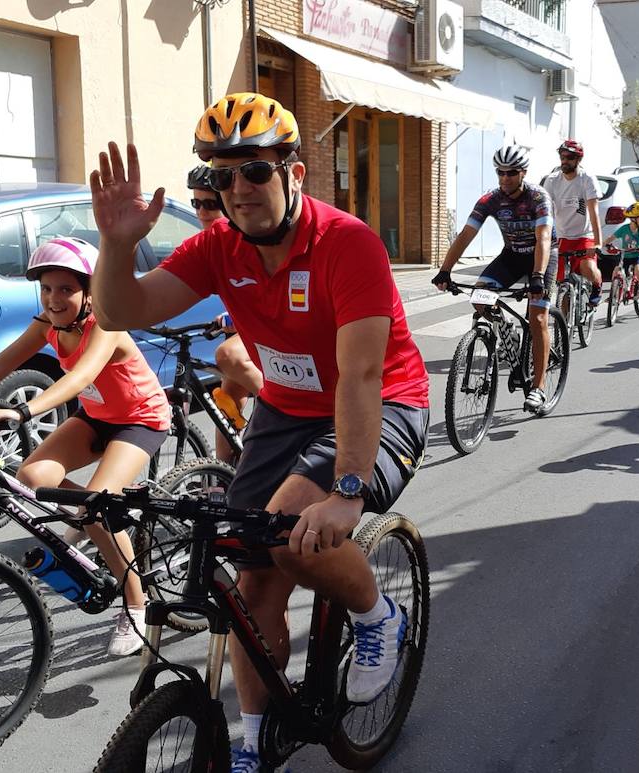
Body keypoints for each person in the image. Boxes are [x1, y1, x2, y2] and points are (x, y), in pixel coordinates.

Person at [87, 92, 431, 773]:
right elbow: (124, 308)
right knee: (252, 581)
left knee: (294, 528)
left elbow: (361, 376)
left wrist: (350, 490)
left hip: (381, 403)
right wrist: (116, 246)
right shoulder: (218, 247)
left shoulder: (348, 244)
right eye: (221, 174)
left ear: (293, 171)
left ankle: (376, 615)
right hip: (286, 408)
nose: (237, 188)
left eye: (254, 171)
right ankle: (253, 741)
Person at [0, 237, 162, 656]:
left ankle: (135, 603)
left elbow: (78, 379)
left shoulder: (107, 324)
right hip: (98, 416)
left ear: (90, 291)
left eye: (66, 289)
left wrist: (23, 413)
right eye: (46, 288)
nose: (54, 298)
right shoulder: (49, 323)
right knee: (32, 477)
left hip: (139, 419)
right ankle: (95, 518)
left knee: (97, 504)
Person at [436, 144, 557, 413]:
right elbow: (466, 235)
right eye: (500, 172)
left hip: (542, 256)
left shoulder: (539, 198)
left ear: (523, 172)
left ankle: (538, 388)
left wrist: (537, 276)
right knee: (479, 298)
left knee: (537, 317)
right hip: (512, 255)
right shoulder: (490, 200)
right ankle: (509, 335)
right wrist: (445, 269)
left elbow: (544, 238)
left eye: (511, 173)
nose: (505, 178)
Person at [189, 166, 262, 462]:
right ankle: (224, 474)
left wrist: (233, 320)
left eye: (211, 204)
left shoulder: (250, 240)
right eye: (196, 203)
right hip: (248, 332)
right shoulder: (210, 243)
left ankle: (287, 410)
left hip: (272, 335)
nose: (203, 212)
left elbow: (264, 299)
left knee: (228, 356)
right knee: (227, 401)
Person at [542, 139, 603, 307]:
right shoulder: (552, 180)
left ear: (578, 160)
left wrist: (598, 242)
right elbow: (546, 212)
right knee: (563, 284)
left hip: (584, 235)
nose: (564, 161)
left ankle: (597, 285)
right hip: (561, 237)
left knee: (588, 268)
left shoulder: (587, 179)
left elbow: (593, 211)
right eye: (562, 156)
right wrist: (543, 240)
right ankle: (565, 329)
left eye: (569, 157)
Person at [599, 202, 639, 293]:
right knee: (616, 270)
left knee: (638, 270)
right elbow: (611, 238)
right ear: (633, 219)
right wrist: (601, 245)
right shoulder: (624, 229)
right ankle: (614, 293)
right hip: (626, 255)